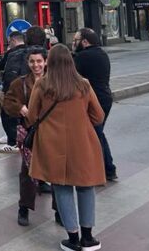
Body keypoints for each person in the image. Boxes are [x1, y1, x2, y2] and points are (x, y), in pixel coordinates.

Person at [27, 44, 105, 251]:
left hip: (51, 145)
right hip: (82, 143)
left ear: (49, 63)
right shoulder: (84, 85)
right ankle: (88, 238)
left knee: (61, 187)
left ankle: (72, 238)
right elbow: (98, 116)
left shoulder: (42, 85)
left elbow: (33, 116)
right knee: (86, 186)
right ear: (71, 62)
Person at [2, 47, 52, 227]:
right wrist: (20, 108)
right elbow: (7, 101)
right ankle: (24, 208)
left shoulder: (54, 81)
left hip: (52, 134)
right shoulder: (20, 83)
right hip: (30, 134)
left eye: (39, 61)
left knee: (56, 173)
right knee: (27, 173)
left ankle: (60, 211)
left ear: (45, 61)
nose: (36, 65)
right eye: (32, 61)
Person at [72, 28, 116, 182]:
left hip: (94, 101)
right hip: (105, 98)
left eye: (75, 40)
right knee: (97, 133)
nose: (73, 43)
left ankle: (105, 170)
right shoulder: (101, 53)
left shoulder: (83, 57)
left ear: (84, 42)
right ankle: (108, 169)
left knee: (94, 136)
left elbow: (71, 73)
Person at [0, 31, 28, 153]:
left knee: (8, 114)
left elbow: (0, 66)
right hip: (27, 88)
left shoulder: (11, 53)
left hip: (13, 88)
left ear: (13, 41)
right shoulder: (29, 50)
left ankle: (13, 142)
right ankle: (23, 139)